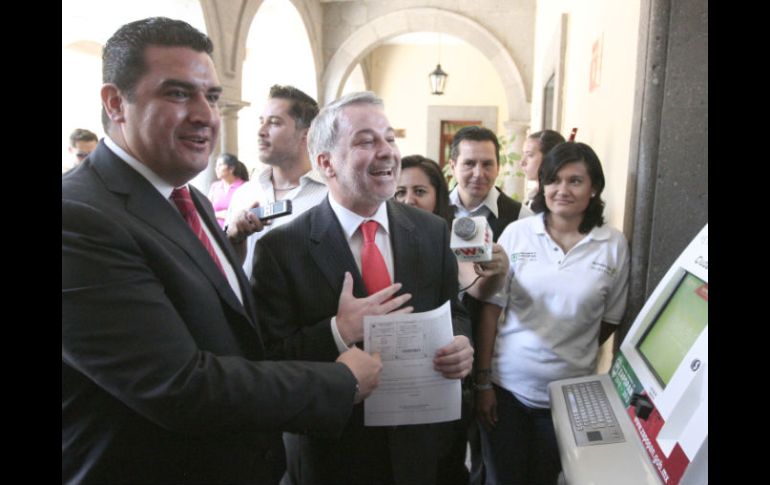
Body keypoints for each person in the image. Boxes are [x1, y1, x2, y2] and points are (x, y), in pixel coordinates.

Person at [62, 17, 383, 485]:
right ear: (116, 103)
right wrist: (340, 382)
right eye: (177, 94)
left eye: (211, 96)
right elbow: (180, 386)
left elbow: (238, 346)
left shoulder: (188, 201)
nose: (205, 115)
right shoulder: (79, 217)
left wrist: (333, 334)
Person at [251, 91, 474, 485]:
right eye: (366, 141)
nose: (387, 152)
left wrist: (460, 342)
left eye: (389, 137)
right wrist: (339, 332)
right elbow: (271, 361)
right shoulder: (281, 249)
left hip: (420, 449)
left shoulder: (430, 231)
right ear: (326, 163)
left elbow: (453, 310)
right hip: (335, 455)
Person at [474, 141, 630, 485]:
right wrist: (483, 382)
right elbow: (490, 311)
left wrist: (569, 342)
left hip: (569, 398)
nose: (562, 190)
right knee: (502, 478)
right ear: (542, 186)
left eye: (575, 181)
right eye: (553, 180)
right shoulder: (518, 234)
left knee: (547, 478)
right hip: (507, 390)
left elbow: (609, 321)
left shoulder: (612, 244)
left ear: (594, 189)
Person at [445, 125, 532, 485]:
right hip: (444, 345)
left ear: (498, 167)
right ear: (452, 165)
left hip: (497, 351)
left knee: (492, 453)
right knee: (444, 451)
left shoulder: (520, 217)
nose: (478, 173)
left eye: (487, 164)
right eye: (468, 164)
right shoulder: (431, 209)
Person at [225, 85, 327, 280]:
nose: (261, 131)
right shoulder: (244, 194)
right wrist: (233, 239)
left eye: (274, 123)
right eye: (261, 122)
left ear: (306, 136)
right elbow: (226, 271)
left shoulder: (330, 197)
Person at [521, 129, 566, 205]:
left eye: (529, 155)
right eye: (523, 155)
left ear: (549, 157)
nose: (522, 162)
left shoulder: (559, 200)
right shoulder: (532, 197)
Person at [208, 152, 249, 227]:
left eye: (220, 165)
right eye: (216, 165)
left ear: (231, 169)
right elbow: (206, 210)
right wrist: (220, 214)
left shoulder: (244, 186)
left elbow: (248, 211)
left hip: (237, 231)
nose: (216, 168)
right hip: (215, 231)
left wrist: (230, 215)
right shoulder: (215, 187)